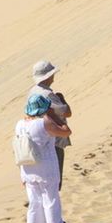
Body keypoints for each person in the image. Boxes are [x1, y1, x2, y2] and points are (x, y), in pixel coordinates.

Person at [18, 66, 73, 223]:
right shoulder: (44, 119)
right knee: (51, 198)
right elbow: (66, 120)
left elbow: (17, 148)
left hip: (27, 168)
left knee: (34, 201)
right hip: (46, 165)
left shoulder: (20, 124)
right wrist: (60, 105)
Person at [27, 60, 72, 191]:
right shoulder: (48, 94)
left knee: (41, 181)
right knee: (54, 182)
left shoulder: (32, 92)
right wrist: (62, 99)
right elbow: (67, 112)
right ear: (48, 76)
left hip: (37, 140)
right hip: (53, 140)